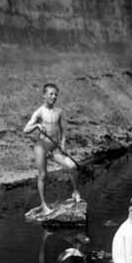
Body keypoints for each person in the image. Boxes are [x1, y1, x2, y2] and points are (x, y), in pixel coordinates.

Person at [23, 83, 82, 215]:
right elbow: (25, 130)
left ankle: (75, 191)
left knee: (72, 166)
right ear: (44, 95)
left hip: (55, 147)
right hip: (42, 146)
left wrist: (62, 144)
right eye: (51, 94)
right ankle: (44, 205)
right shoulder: (39, 112)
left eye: (56, 94)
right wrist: (37, 126)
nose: (54, 97)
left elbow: (63, 131)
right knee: (43, 175)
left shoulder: (59, 112)